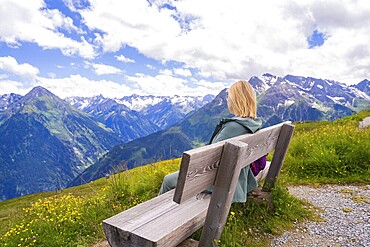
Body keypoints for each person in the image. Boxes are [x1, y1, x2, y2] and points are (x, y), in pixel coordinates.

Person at [158, 80, 263, 202]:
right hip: (238, 175)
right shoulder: (254, 124)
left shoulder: (233, 127)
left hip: (221, 180)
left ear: (236, 100)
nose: (227, 100)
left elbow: (210, 158)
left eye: (229, 96)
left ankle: (153, 214)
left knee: (168, 180)